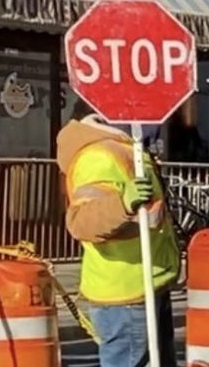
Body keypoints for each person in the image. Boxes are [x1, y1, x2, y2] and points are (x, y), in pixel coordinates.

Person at [56, 112, 179, 366]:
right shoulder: (100, 157)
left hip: (144, 283)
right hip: (126, 293)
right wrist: (123, 203)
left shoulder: (124, 150)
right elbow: (82, 222)